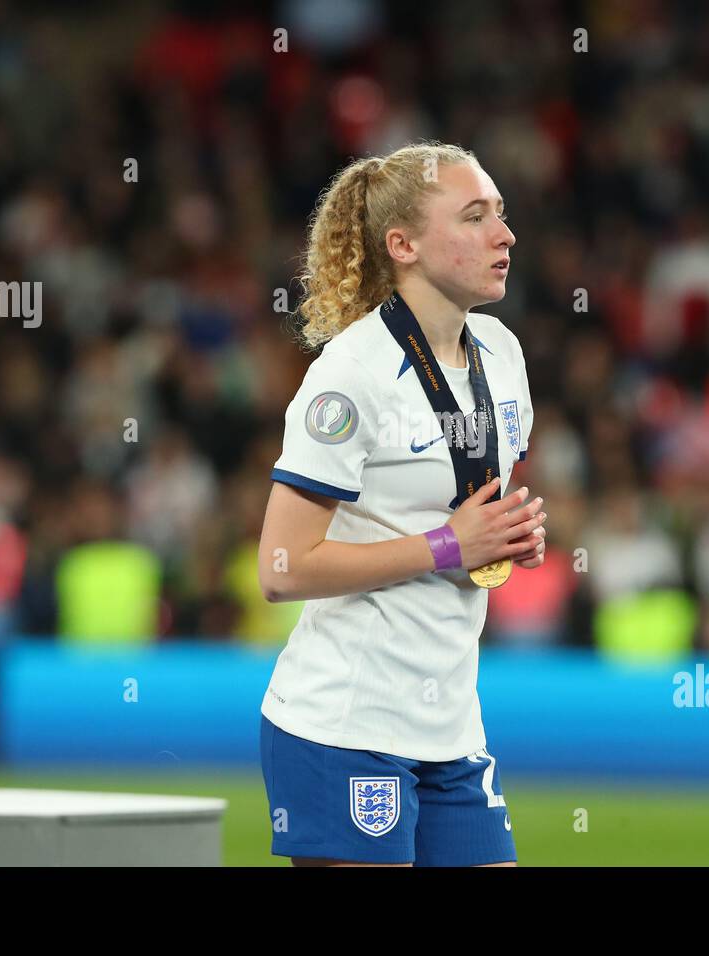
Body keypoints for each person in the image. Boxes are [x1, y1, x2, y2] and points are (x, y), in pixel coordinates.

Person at [257, 141, 546, 866]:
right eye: (475, 216)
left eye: (501, 214)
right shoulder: (349, 375)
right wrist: (450, 547)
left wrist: (502, 538)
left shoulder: (502, 354)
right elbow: (282, 569)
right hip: (345, 724)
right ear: (403, 245)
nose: (504, 235)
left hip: (452, 727)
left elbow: (456, 508)